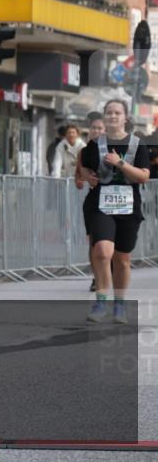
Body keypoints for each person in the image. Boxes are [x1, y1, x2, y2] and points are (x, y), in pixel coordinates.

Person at [79, 99, 150, 324]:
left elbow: (144, 176)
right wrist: (85, 173)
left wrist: (120, 164)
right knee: (102, 251)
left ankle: (119, 304)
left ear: (125, 117)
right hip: (101, 205)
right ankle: (101, 301)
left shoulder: (137, 144)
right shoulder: (95, 144)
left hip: (128, 207)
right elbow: (82, 161)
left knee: (122, 259)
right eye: (109, 113)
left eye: (117, 113)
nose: (112, 116)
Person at [77, 111, 106, 292]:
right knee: (94, 242)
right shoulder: (84, 151)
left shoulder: (114, 148)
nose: (96, 131)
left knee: (110, 244)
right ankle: (96, 277)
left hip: (114, 201)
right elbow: (78, 178)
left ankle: (107, 272)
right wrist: (86, 176)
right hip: (93, 200)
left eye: (100, 128)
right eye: (93, 128)